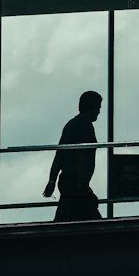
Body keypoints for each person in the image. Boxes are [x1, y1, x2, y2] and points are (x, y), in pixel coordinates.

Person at [43, 90, 103, 222]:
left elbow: (60, 154)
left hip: (68, 182)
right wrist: (82, 184)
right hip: (76, 184)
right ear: (92, 106)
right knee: (94, 222)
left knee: (65, 218)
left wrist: (52, 180)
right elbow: (82, 156)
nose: (99, 111)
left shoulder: (72, 124)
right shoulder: (85, 126)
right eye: (98, 106)